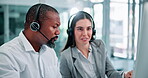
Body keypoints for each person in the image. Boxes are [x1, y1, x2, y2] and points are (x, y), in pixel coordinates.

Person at [60, 11, 132, 78]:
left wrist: (124, 75)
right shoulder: (66, 56)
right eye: (80, 29)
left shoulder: (99, 45)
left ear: (93, 31)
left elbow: (110, 72)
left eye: (88, 29)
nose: (85, 34)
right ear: (71, 32)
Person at [0, 3, 61, 78]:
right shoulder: (7, 55)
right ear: (35, 26)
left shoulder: (50, 52)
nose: (58, 32)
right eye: (54, 27)